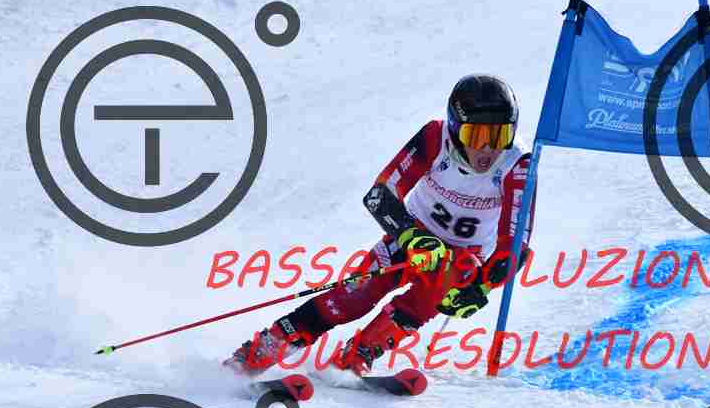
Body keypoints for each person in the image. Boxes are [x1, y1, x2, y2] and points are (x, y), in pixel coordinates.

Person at [223, 74, 536, 377]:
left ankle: (358, 354)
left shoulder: (517, 163)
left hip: (462, 256)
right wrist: (413, 238)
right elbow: (380, 195)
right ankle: (259, 353)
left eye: (499, 136)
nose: (487, 149)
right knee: (351, 300)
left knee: (447, 282)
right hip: (410, 236)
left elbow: (516, 245)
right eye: (476, 136)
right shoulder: (435, 138)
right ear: (455, 129)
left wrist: (481, 287)